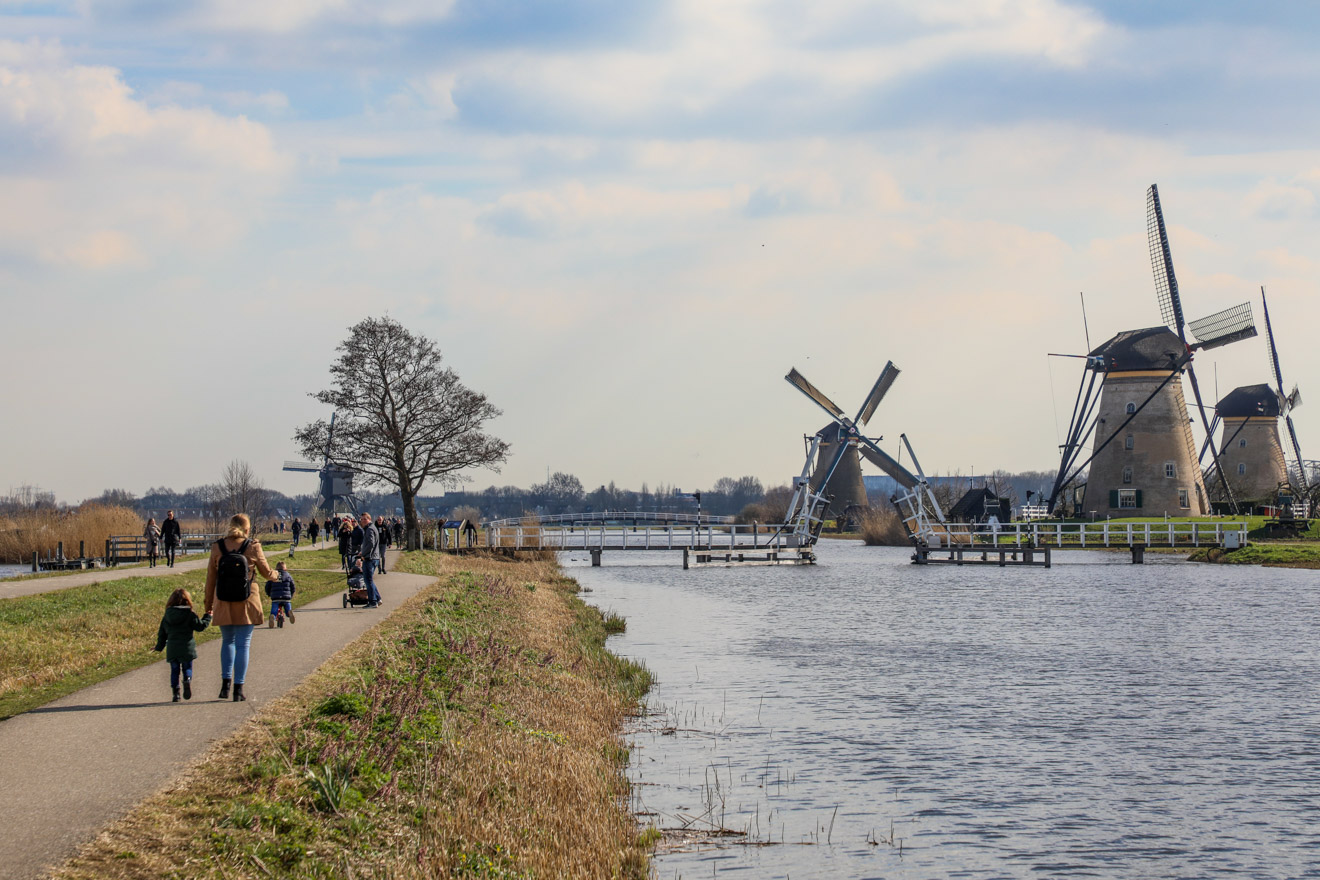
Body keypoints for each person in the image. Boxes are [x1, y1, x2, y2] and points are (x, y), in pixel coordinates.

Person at [204, 513, 278, 702]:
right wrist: (276, 575)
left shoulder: (217, 547)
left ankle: (224, 685)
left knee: (227, 641)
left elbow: (210, 579)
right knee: (243, 644)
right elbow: (266, 572)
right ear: (247, 529)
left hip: (223, 600)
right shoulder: (253, 546)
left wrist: (208, 605)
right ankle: (238, 689)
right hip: (246, 600)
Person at [154, 588, 211, 701]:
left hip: (173, 648)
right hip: (187, 647)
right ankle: (187, 680)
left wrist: (159, 647)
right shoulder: (190, 614)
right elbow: (200, 626)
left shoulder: (167, 616)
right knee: (187, 668)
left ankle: (176, 693)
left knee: (174, 670)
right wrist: (208, 616)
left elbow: (162, 633)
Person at [356, 512, 381, 608]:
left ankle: (373, 601)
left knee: (368, 580)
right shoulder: (372, 528)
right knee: (369, 580)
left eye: (364, 519)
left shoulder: (369, 529)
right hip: (373, 557)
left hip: (370, 558)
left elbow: (371, 544)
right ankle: (377, 598)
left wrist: (363, 553)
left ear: (369, 519)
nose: (362, 521)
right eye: (361, 519)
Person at [264, 561, 297, 628]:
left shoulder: (273, 575)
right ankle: (289, 613)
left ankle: (273, 616)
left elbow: (267, 586)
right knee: (287, 607)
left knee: (274, 609)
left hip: (275, 597)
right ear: (285, 568)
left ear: (276, 568)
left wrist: (268, 593)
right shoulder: (288, 575)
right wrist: (291, 595)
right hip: (286, 597)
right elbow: (293, 586)